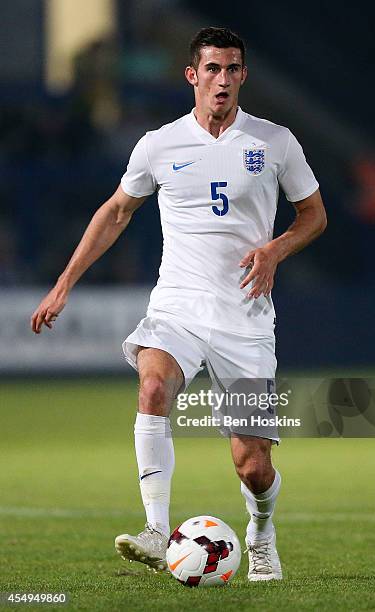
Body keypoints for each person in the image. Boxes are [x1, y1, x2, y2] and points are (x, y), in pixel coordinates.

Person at [31, 27, 327, 581]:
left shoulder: (274, 141)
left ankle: (261, 533)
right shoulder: (158, 144)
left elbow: (315, 214)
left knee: (253, 465)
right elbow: (116, 212)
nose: (223, 79)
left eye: (233, 68)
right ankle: (154, 527)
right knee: (153, 385)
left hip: (245, 318)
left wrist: (275, 250)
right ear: (193, 75)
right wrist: (64, 282)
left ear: (243, 76)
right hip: (179, 306)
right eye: (212, 68)